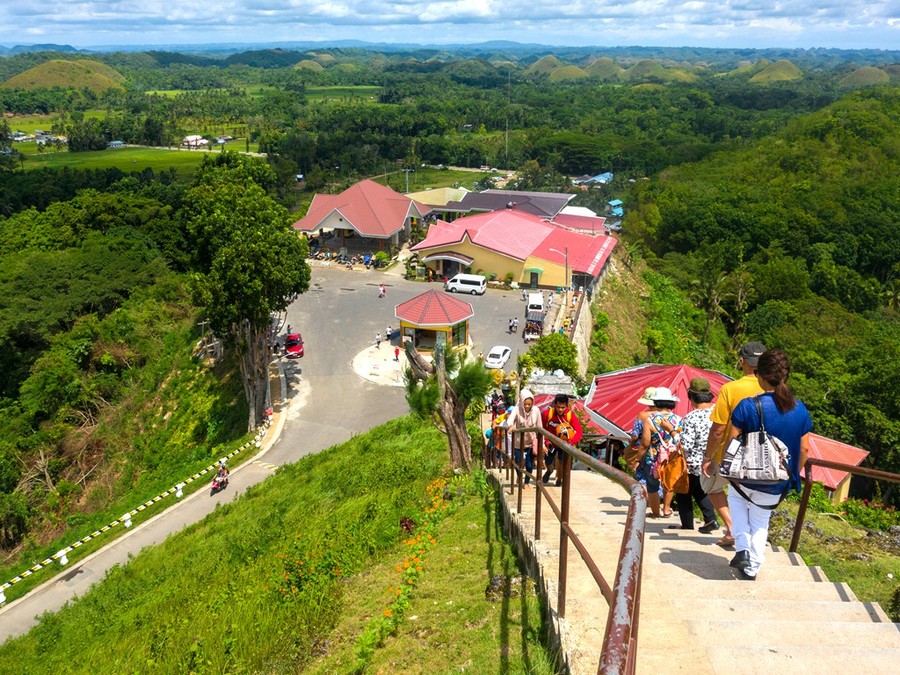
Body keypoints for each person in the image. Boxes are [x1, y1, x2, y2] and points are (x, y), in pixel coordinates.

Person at [727, 349, 812, 580]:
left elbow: (732, 442)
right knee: (760, 520)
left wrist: (724, 467)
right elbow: (804, 449)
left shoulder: (747, 406)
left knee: (736, 501)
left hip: (745, 476)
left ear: (760, 376)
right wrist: (793, 473)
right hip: (776, 479)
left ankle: (742, 548)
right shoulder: (800, 409)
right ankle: (752, 566)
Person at [701, 342, 766, 548]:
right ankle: (752, 540)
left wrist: (708, 456)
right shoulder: (773, 388)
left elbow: (718, 429)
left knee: (710, 485)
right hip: (763, 454)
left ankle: (732, 528)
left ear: (742, 362)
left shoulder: (730, 389)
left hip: (731, 452)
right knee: (753, 497)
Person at [673, 378, 719, 532]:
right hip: (715, 461)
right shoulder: (718, 413)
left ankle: (687, 525)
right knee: (701, 490)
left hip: (694, 463)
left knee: (683, 492)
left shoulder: (692, 417)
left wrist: (673, 433)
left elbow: (686, 445)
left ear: (691, 396)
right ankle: (710, 520)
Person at [641, 387, 682, 518]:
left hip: (652, 457)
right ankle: (667, 508)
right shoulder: (679, 419)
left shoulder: (650, 419)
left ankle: (655, 512)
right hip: (672, 457)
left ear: (656, 402)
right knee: (668, 482)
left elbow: (645, 443)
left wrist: (637, 458)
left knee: (652, 485)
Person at [541, 394, 584, 486]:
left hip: (564, 443)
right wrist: (546, 441)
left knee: (562, 461)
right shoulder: (547, 414)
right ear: (554, 405)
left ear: (566, 406)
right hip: (551, 443)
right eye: (558, 407)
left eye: (563, 407)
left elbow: (579, 431)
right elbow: (542, 429)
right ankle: (549, 471)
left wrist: (571, 442)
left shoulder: (570, 415)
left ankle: (559, 479)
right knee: (548, 462)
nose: (560, 410)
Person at [503, 389, 542, 486]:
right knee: (518, 463)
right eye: (525, 404)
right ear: (521, 402)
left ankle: (527, 482)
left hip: (531, 441)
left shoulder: (536, 410)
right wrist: (511, 425)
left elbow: (540, 427)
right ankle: (519, 477)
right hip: (518, 441)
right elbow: (510, 420)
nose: (527, 406)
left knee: (529, 465)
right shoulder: (516, 409)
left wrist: (543, 443)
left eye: (529, 404)